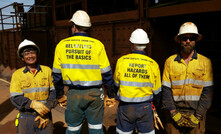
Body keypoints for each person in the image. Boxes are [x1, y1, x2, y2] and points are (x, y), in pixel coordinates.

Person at [52, 10, 115, 134]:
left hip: (74, 94)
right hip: (95, 94)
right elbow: (107, 73)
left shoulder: (61, 45)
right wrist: (111, 94)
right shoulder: (98, 45)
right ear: (88, 28)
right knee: (96, 129)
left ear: (74, 27)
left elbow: (56, 75)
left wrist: (60, 94)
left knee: (73, 129)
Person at [162, 22, 214, 134]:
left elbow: (208, 92)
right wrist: (173, 112)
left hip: (196, 114)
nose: (188, 41)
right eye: (185, 38)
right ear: (180, 40)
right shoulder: (170, 62)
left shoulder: (205, 62)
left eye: (192, 38)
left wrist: (199, 114)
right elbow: (166, 90)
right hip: (174, 114)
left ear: (196, 41)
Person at [114, 28, 162, 134]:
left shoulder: (121, 61)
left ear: (131, 44)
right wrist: (155, 104)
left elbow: (116, 85)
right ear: (146, 45)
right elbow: (157, 91)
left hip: (126, 107)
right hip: (145, 108)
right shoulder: (153, 64)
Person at [10, 39, 57, 134]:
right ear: (22, 58)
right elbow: (15, 97)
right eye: (26, 54)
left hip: (45, 116)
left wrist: (45, 111)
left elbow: (54, 93)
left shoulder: (47, 71)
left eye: (32, 53)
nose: (30, 56)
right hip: (26, 116)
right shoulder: (17, 74)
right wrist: (31, 104)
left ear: (37, 54)